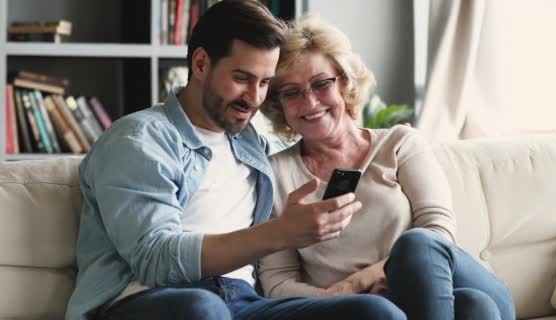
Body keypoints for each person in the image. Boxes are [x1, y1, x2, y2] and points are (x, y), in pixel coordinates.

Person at [65, 2, 407, 320]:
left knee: (374, 312)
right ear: (200, 64)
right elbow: (156, 259)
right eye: (242, 78)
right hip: (151, 299)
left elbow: (316, 136)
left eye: (265, 83)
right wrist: (279, 232)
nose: (254, 97)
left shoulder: (252, 143)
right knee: (204, 308)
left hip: (243, 303)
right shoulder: (139, 139)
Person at [258, 14, 517, 320]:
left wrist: (362, 280)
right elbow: (277, 283)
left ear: (344, 82)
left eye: (321, 84)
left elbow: (439, 230)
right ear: (278, 104)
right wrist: (339, 297)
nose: (310, 102)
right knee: (474, 306)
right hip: (370, 311)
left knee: (420, 244)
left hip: (436, 277)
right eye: (292, 92)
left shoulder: (399, 143)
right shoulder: (274, 174)